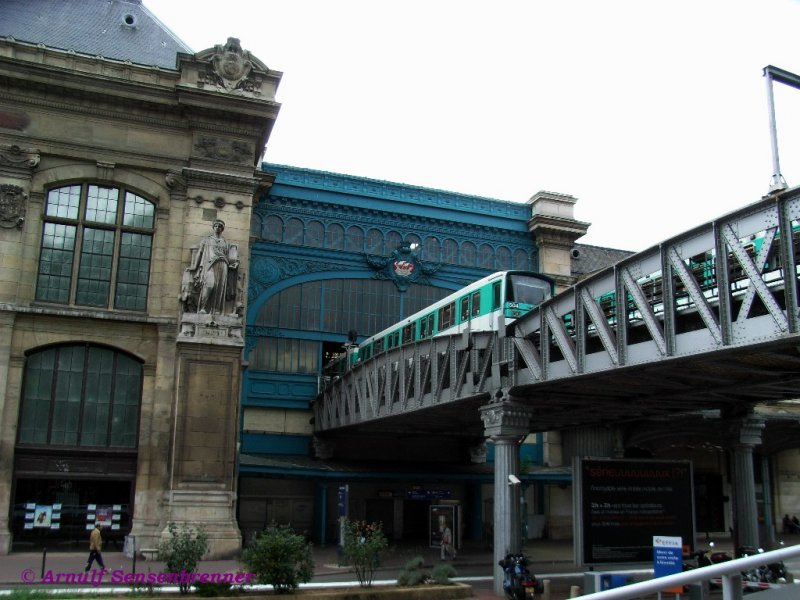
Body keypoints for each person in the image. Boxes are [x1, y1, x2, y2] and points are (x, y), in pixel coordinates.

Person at [182, 219, 239, 315]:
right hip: (209, 265)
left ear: (222, 229)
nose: (217, 227)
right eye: (216, 226)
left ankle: (216, 310)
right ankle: (203, 308)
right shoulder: (207, 240)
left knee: (219, 288)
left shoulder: (225, 242)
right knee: (209, 285)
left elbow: (231, 257)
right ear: (213, 227)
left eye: (220, 226)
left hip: (223, 265)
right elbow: (200, 253)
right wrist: (194, 266)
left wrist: (234, 263)